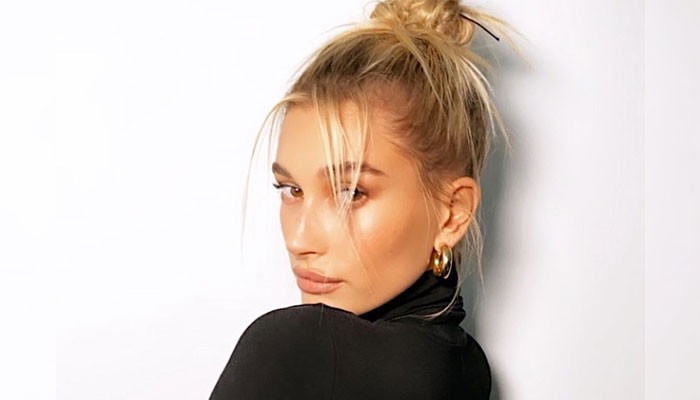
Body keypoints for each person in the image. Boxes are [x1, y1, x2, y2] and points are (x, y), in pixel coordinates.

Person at [210, 0, 512, 398]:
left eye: (351, 193)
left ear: (452, 213)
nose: (299, 240)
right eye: (292, 190)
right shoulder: (468, 367)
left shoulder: (297, 351)